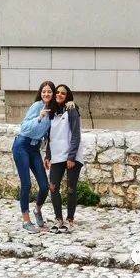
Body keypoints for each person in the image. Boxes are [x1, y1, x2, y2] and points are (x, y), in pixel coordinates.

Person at [12, 81, 55, 233]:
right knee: (26, 184)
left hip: (35, 148)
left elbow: (50, 136)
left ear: (53, 93)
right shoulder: (37, 106)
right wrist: (39, 118)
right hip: (22, 145)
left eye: (49, 91)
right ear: (40, 93)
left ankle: (37, 210)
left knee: (44, 186)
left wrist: (48, 155)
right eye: (44, 91)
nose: (46, 94)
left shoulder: (54, 111)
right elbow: (24, 127)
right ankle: (26, 220)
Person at [45, 84, 84, 234]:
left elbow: (75, 134)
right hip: (57, 155)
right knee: (53, 187)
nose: (59, 95)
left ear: (67, 96)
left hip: (71, 155)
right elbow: (50, 137)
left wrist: (71, 156)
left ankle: (70, 219)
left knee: (70, 189)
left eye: (63, 93)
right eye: (58, 92)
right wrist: (48, 155)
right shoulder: (52, 112)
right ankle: (58, 219)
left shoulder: (72, 110)